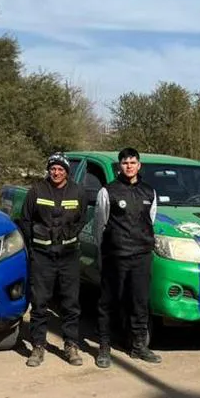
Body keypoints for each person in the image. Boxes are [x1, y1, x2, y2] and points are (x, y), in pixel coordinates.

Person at [93, 147, 161, 368]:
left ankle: (138, 345)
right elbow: (99, 225)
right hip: (115, 255)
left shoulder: (150, 192)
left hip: (141, 256)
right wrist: (104, 251)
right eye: (125, 163)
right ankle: (104, 347)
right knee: (109, 302)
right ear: (119, 166)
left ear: (139, 165)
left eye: (133, 162)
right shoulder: (107, 191)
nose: (129, 166)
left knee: (139, 302)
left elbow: (150, 221)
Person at [20, 153, 87, 367]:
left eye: (60, 169)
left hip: (69, 256)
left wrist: (69, 234)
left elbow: (82, 218)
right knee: (40, 302)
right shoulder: (36, 191)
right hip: (42, 256)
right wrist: (35, 245)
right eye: (53, 169)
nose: (56, 172)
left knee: (70, 303)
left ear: (67, 171)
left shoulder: (78, 192)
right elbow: (26, 220)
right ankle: (38, 346)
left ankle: (71, 345)